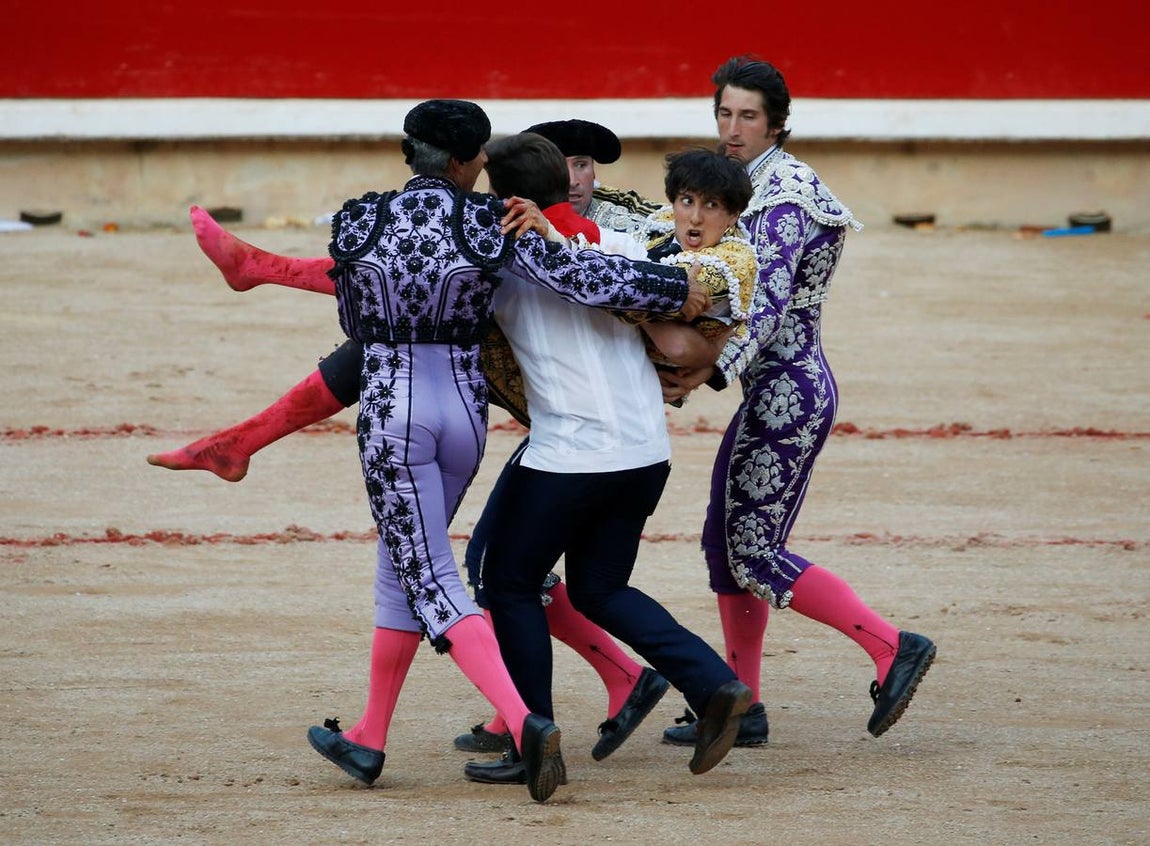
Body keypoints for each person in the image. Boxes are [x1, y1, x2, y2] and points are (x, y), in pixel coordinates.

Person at [229, 99, 703, 804]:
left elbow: (350, 309)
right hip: (464, 416)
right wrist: (683, 285)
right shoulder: (494, 226)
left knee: (434, 578)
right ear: (468, 161)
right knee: (405, 569)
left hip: (396, 412)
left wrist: (265, 271)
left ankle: (526, 720)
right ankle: (368, 736)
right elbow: (592, 279)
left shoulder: (362, 221)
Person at [657, 56, 936, 749]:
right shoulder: (743, 185)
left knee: (752, 551)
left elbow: (770, 302)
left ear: (777, 122)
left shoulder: (785, 194)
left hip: (789, 392)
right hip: (773, 390)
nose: (732, 129)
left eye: (748, 116)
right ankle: (743, 704)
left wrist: (708, 371)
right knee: (725, 547)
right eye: (724, 113)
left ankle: (891, 644)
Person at [464, 132, 754, 788]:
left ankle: (532, 737)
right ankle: (712, 684)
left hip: (571, 453)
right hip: (644, 449)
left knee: (509, 583)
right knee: (601, 588)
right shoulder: (624, 244)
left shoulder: (506, 257)